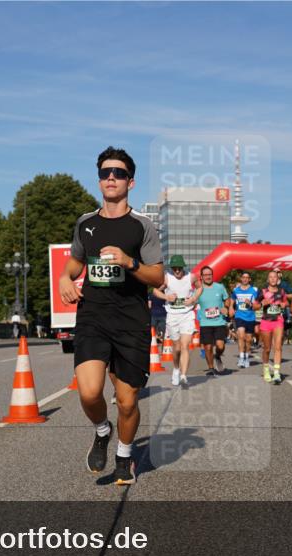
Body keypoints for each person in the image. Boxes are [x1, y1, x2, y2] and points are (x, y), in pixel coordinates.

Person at [59, 146, 164, 486]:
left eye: (118, 173)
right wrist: (65, 277)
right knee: (89, 393)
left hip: (131, 321)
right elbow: (75, 261)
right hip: (93, 316)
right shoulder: (85, 224)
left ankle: (124, 455)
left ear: (130, 182)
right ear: (99, 179)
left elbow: (158, 277)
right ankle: (102, 431)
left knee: (127, 400)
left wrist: (129, 262)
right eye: (105, 173)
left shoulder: (142, 226)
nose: (111, 178)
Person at [153, 255, 200, 388]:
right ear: (171, 268)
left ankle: (184, 376)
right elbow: (155, 291)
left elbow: (200, 288)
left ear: (183, 267)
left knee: (185, 345)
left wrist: (193, 299)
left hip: (187, 315)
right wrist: (166, 296)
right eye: (175, 268)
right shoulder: (167, 278)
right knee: (177, 348)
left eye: (179, 268)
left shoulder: (191, 277)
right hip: (172, 316)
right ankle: (176, 369)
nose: (177, 271)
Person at [196, 265, 229, 376]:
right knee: (208, 347)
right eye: (205, 275)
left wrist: (226, 307)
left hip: (219, 321)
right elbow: (191, 302)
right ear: (201, 277)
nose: (208, 277)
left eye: (209, 274)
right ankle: (211, 368)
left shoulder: (220, 287)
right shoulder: (198, 290)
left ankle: (218, 356)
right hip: (205, 323)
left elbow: (226, 299)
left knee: (220, 346)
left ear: (212, 275)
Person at [257, 270, 289, 384]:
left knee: (278, 346)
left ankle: (276, 372)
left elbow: (286, 303)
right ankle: (266, 369)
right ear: (268, 279)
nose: (273, 279)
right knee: (267, 349)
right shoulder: (263, 291)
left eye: (274, 277)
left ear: (277, 279)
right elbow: (254, 306)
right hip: (266, 322)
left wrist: (284, 304)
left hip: (278, 321)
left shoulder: (282, 291)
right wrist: (261, 304)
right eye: (270, 277)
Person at [229, 272, 259, 368]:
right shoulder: (236, 290)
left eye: (247, 277)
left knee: (248, 339)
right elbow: (232, 299)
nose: (245, 279)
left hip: (250, 317)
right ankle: (241, 358)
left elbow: (257, 304)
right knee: (241, 335)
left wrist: (251, 303)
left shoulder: (254, 290)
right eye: (243, 277)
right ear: (241, 279)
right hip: (239, 316)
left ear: (249, 279)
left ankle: (246, 357)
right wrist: (231, 308)